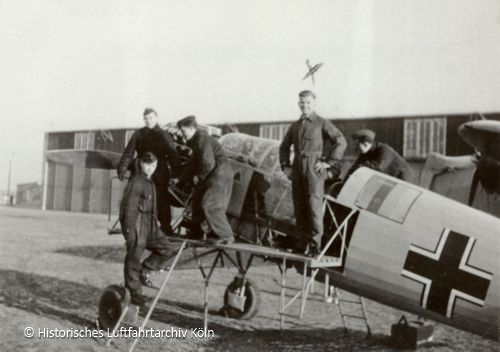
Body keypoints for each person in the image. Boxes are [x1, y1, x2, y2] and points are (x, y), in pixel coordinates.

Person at [279, 90, 347, 256]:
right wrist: (285, 166)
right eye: (302, 102)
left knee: (314, 208)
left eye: (308, 102)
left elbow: (341, 141)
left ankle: (315, 247)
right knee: (299, 207)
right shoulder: (295, 126)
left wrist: (329, 162)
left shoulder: (322, 123)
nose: (305, 105)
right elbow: (284, 147)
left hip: (314, 171)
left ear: (314, 104)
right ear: (298, 104)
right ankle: (301, 245)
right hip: (297, 171)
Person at [119, 152, 176, 307]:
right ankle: (135, 294)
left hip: (151, 227)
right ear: (141, 164)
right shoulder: (136, 182)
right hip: (137, 227)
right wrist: (129, 232)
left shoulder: (150, 182)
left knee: (168, 249)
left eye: (154, 165)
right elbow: (127, 209)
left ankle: (144, 270)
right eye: (148, 165)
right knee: (133, 260)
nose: (151, 168)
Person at [117, 108, 179, 234]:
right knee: (135, 197)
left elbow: (173, 155)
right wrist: (122, 169)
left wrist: (177, 175)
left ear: (156, 118)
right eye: (146, 118)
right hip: (141, 170)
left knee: (161, 199)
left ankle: (166, 228)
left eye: (151, 118)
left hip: (159, 172)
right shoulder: (138, 134)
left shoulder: (164, 135)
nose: (148, 120)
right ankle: (135, 226)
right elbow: (129, 152)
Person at [176, 115, 235, 245]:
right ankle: (197, 231)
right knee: (196, 199)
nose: (181, 134)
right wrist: (180, 180)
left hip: (220, 174)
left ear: (192, 128)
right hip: (213, 173)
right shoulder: (197, 141)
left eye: (183, 130)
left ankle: (226, 235)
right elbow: (192, 164)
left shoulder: (203, 140)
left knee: (210, 204)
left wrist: (198, 177)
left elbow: (207, 163)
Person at [346, 129, 415, 182]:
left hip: (403, 180)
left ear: (365, 144)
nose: (355, 148)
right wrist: (344, 182)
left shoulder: (384, 149)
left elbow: (379, 166)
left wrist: (361, 166)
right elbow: (354, 168)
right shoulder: (364, 153)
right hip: (391, 180)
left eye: (357, 145)